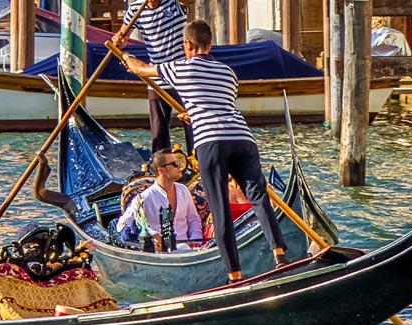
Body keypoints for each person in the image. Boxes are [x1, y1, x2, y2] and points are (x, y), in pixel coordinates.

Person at [119, 20, 287, 280]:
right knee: (259, 198)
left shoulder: (180, 68)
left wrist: (126, 56)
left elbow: (142, 69)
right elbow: (219, 105)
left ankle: (234, 275)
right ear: (210, 44)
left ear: (187, 44)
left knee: (219, 209)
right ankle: (280, 255)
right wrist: (193, 115)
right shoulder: (228, 73)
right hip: (243, 138)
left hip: (211, 142)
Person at [113, 0, 190, 155]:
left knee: (191, 124)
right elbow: (121, 39)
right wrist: (119, 41)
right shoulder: (135, 9)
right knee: (158, 130)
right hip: (155, 76)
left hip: (181, 75)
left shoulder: (175, 3)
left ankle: (198, 164)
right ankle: (161, 167)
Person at [116, 150, 205, 252]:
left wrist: (195, 239)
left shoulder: (183, 190)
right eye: (175, 164)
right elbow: (121, 224)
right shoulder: (144, 198)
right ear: (162, 170)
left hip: (187, 249)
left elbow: (193, 219)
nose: (180, 167)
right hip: (160, 253)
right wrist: (150, 233)